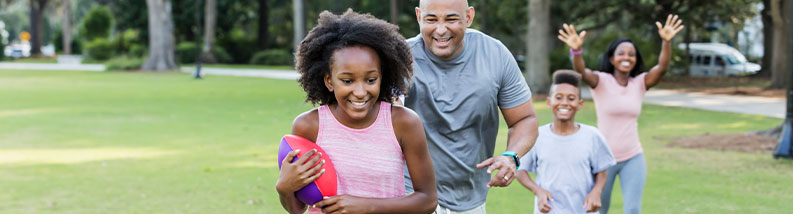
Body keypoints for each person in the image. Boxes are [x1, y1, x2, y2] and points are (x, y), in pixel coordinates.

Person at [276, 10, 437, 214]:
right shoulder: (308, 126)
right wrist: (284, 188)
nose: (360, 92)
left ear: (382, 77)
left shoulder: (403, 123)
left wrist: (365, 206)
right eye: (347, 81)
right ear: (329, 81)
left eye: (371, 80)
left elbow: (428, 200)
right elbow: (298, 209)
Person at [403, 0, 539, 212]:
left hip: (471, 198)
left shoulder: (495, 54)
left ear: (468, 17)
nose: (440, 29)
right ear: (419, 17)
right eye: (431, 19)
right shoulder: (401, 58)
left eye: (451, 19)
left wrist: (511, 156)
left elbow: (525, 119)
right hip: (412, 193)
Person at [557, 15, 685, 213]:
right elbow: (580, 70)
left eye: (631, 54)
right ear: (611, 58)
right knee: (598, 208)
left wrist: (667, 42)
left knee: (633, 210)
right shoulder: (600, 81)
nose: (626, 57)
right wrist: (576, 51)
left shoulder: (640, 83)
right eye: (621, 53)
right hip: (603, 159)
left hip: (633, 157)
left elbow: (662, 68)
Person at [515, 70, 616, 214]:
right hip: (548, 210)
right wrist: (538, 191)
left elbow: (602, 171)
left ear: (579, 104)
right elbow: (520, 170)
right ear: (549, 102)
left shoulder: (592, 136)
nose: (564, 103)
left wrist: (596, 191)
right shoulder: (537, 136)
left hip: (583, 211)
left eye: (571, 98)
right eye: (558, 97)